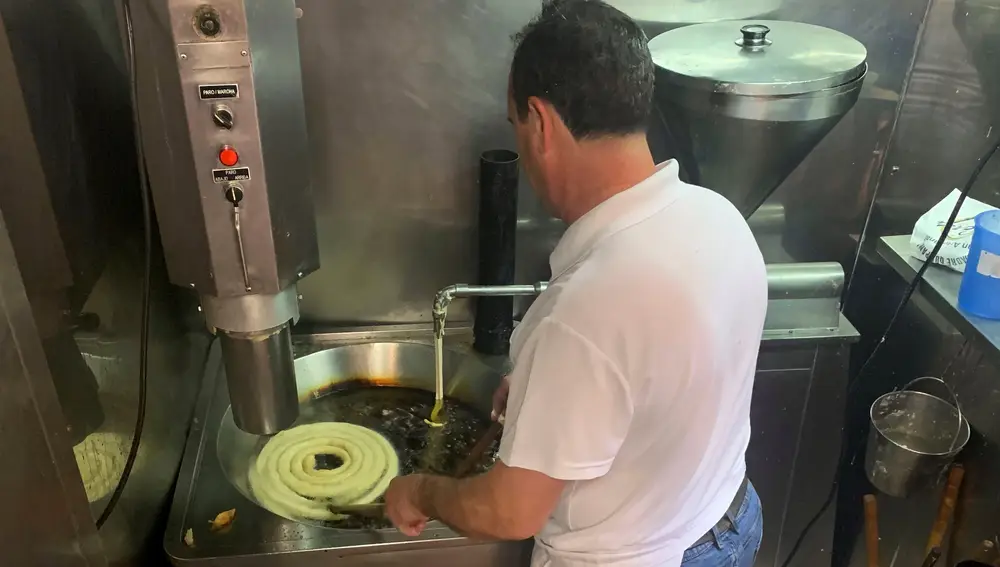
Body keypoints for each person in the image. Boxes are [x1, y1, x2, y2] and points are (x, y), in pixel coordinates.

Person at [384, 1, 768, 565]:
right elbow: (668, 382)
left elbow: (508, 512)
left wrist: (419, 490)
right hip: (727, 521)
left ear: (539, 123)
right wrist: (554, 394)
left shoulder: (588, 309)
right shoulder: (719, 218)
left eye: (514, 124)